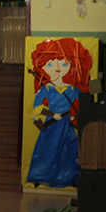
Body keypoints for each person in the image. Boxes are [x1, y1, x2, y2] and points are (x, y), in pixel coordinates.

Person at [25, 37, 93, 187]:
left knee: (68, 150)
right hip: (51, 124)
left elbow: (85, 104)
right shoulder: (46, 89)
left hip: (67, 124)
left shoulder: (72, 89)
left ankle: (69, 178)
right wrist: (52, 114)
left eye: (63, 64)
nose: (57, 68)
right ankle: (40, 176)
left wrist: (74, 116)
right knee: (46, 149)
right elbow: (37, 107)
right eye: (50, 64)